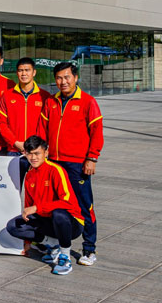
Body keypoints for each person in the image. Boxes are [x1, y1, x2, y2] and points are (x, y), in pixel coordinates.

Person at [40, 62, 103, 267]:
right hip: (54, 162)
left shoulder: (87, 102)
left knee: (85, 206)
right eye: (59, 78)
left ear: (75, 78)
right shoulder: (51, 102)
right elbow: (42, 130)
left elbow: (96, 133)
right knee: (55, 205)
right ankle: (57, 245)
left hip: (77, 164)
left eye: (67, 77)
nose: (63, 81)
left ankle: (89, 249)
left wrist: (91, 158)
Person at [5, 135, 84, 276]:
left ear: (46, 153)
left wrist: (37, 208)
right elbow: (29, 208)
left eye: (37, 153)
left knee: (58, 213)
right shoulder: (29, 175)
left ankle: (65, 257)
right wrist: (27, 242)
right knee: (13, 226)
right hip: (47, 221)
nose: (33, 157)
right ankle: (53, 244)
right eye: (29, 153)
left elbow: (68, 202)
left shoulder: (55, 170)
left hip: (71, 223)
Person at [0, 57, 50, 182]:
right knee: (13, 190)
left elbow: (47, 125)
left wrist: (40, 147)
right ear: (17, 73)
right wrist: (15, 142)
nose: (24, 74)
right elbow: (1, 123)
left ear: (34, 72)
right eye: (21, 70)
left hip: (37, 152)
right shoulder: (7, 96)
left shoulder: (44, 96)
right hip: (15, 150)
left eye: (27, 70)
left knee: (38, 189)